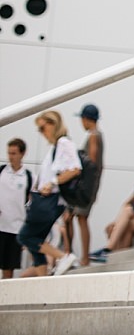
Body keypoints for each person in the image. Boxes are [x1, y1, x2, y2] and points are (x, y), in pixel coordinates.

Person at [17, 111, 81, 276]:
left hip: (51, 201)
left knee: (25, 237)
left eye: (42, 128)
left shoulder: (64, 143)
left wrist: (52, 183)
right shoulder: (56, 147)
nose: (41, 132)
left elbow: (75, 168)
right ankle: (43, 280)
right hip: (46, 200)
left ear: (53, 124)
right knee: (35, 243)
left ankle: (64, 257)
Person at [89, 154, 134, 264]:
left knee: (128, 213)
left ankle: (109, 250)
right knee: (121, 222)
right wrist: (116, 222)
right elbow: (127, 203)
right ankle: (115, 256)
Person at [62, 103, 103, 263]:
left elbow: (91, 161)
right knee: (71, 217)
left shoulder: (94, 135)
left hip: (85, 186)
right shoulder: (97, 135)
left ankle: (82, 257)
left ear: (86, 119)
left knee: (81, 218)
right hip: (89, 185)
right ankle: (70, 254)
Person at [1, 138, 34, 279]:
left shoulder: (28, 177)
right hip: (1, 225)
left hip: (16, 228)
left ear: (22, 154)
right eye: (9, 153)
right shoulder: (2, 171)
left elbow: (32, 202)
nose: (11, 157)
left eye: (14, 153)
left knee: (9, 267)